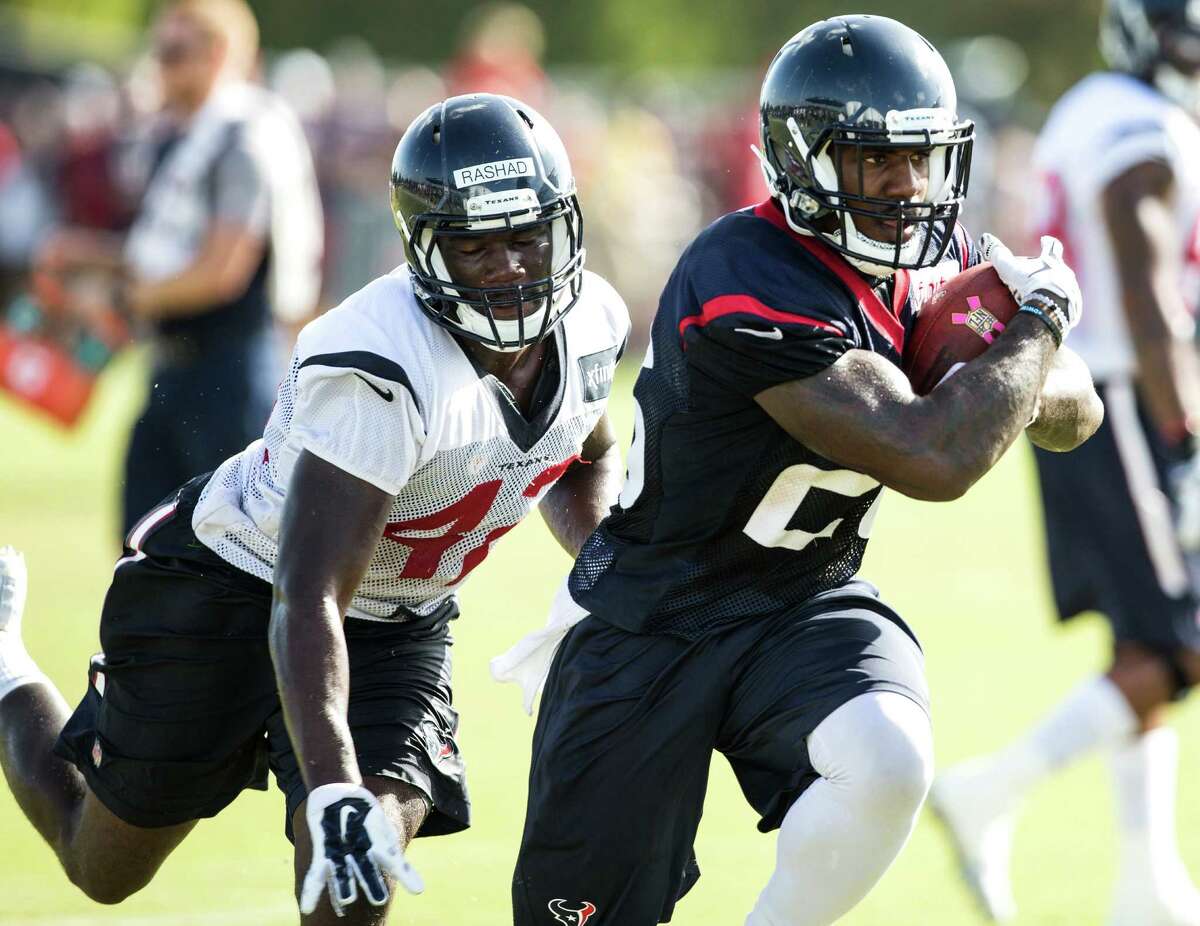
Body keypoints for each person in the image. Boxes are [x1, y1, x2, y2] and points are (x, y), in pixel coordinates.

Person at [503, 16, 1101, 926]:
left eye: (924, 158)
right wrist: (1033, 329)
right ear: (804, 160)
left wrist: (1019, 357)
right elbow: (932, 457)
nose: (909, 188)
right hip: (654, 616)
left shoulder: (942, 263)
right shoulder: (747, 270)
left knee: (889, 755)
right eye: (875, 160)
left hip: (802, 601)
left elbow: (1078, 413)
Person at [0, 92, 630, 924]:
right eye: (476, 246)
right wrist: (330, 785)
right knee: (102, 864)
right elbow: (308, 594)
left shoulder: (593, 322)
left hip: (396, 619)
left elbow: (585, 452)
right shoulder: (379, 364)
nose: (511, 266)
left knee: (356, 869)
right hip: (235, 587)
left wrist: (607, 575)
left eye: (527, 238)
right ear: (425, 248)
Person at [931, 2, 1200, 923]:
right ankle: (991, 788)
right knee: (1185, 643)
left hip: (1092, 390)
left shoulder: (1092, 103)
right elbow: (1147, 287)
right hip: (1130, 396)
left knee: (1142, 640)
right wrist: (1189, 434)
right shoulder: (1143, 125)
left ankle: (1147, 885)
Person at [37, 0, 323, 539]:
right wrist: (88, 253)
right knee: (141, 552)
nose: (159, 64)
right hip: (173, 370)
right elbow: (164, 253)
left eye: (173, 51)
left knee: (227, 566)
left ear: (216, 54)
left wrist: (117, 301)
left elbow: (221, 271)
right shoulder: (181, 136)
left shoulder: (244, 137)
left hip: (229, 375)